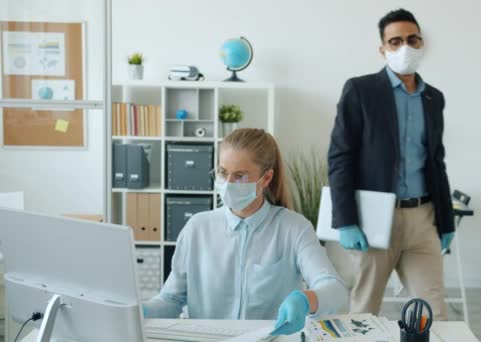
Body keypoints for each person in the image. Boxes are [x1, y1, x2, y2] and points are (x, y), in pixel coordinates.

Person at [144, 128, 348, 335]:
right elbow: (172, 299)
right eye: (223, 173)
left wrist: (306, 300)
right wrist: (142, 310)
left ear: (266, 178)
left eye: (240, 176)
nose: (229, 183)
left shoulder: (294, 228)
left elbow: (335, 289)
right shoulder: (197, 228)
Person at [326, 9, 454, 320]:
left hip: (423, 219)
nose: (404, 47)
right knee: (364, 310)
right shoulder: (360, 90)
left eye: (412, 39)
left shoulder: (433, 98)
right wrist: (345, 220)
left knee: (434, 313)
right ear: (383, 49)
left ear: (422, 44)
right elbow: (340, 155)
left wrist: (446, 221)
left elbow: (436, 161)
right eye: (395, 41)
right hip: (374, 219)